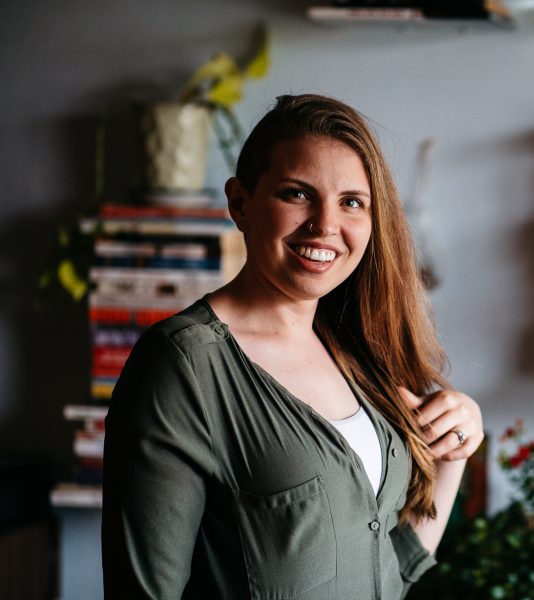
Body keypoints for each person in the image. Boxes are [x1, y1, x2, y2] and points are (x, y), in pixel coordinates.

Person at [102, 94, 483, 599]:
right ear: (241, 202)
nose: (325, 225)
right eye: (297, 194)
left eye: (352, 202)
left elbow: (394, 569)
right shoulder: (183, 365)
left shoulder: (356, 352)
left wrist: (456, 449)